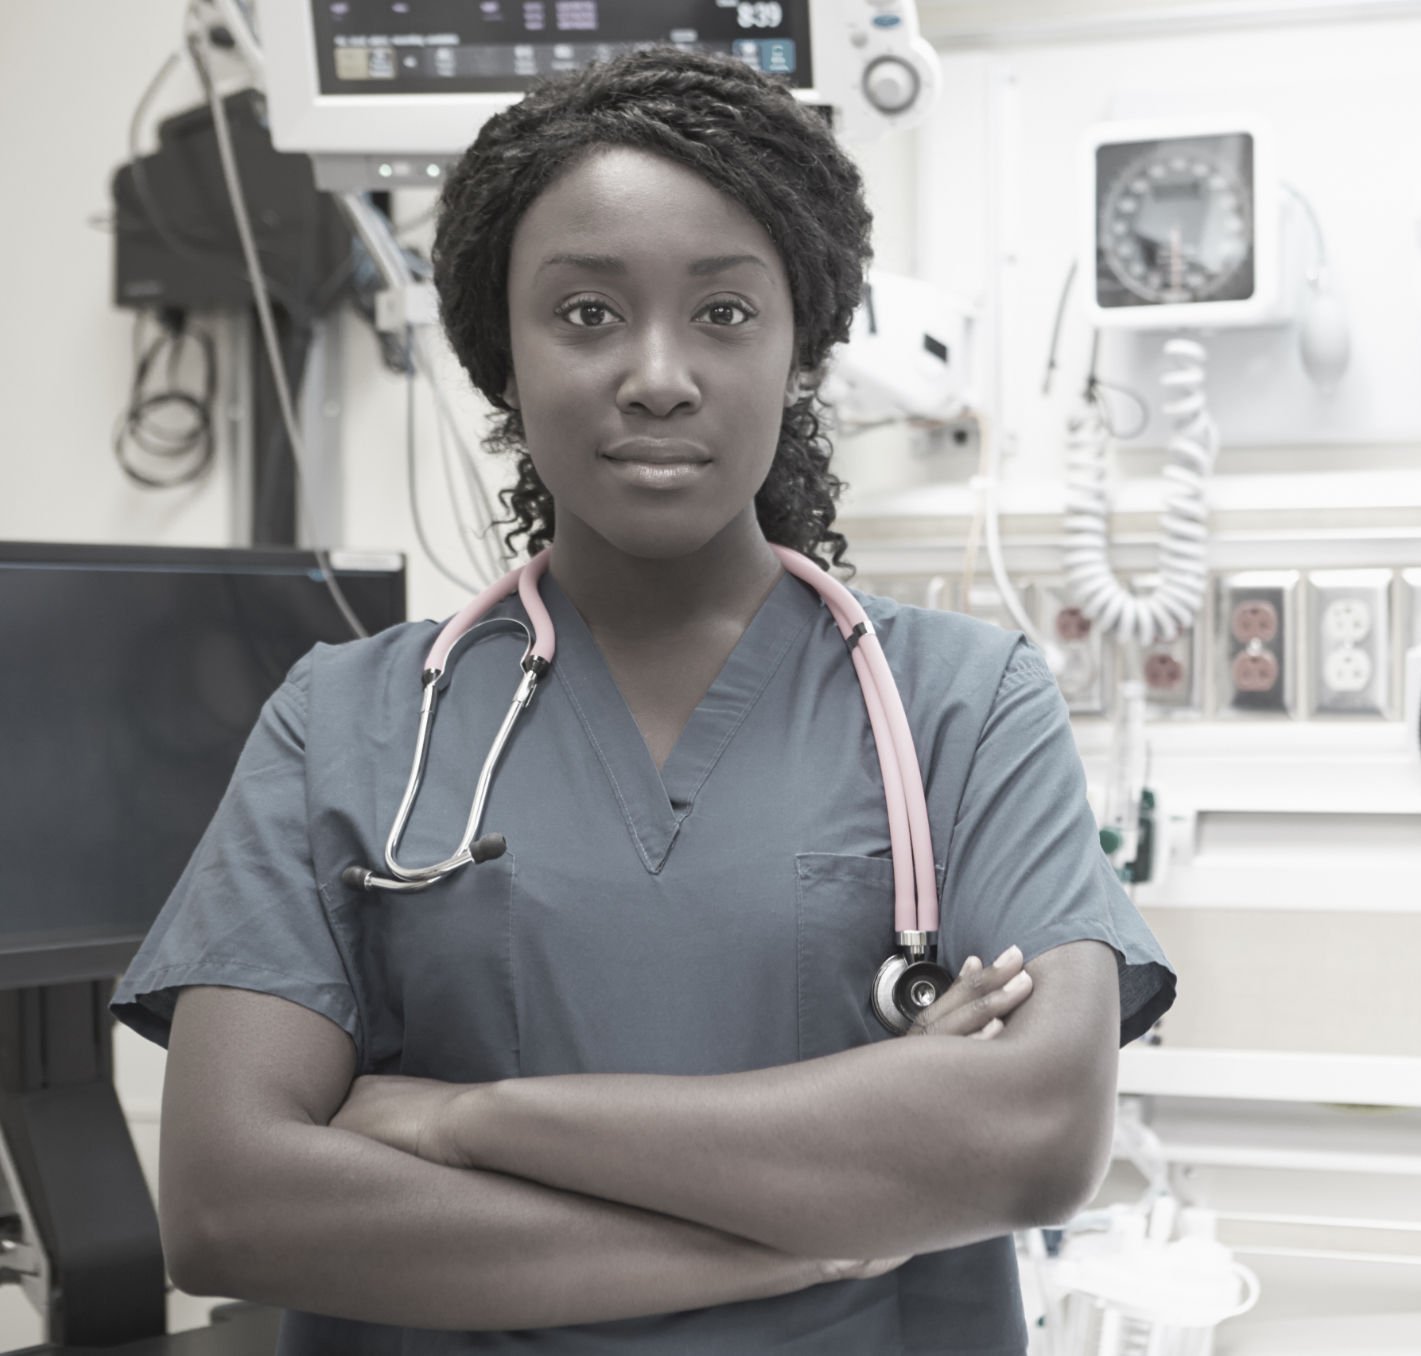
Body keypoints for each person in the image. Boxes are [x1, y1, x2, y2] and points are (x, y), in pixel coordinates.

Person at [111, 44, 1175, 1354]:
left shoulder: (961, 708)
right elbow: (233, 1206)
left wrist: (458, 1118)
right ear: (503, 351)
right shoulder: (346, 722)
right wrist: (792, 1239)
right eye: (586, 314)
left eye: (724, 312)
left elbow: (1034, 1136)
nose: (658, 372)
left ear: (802, 347)